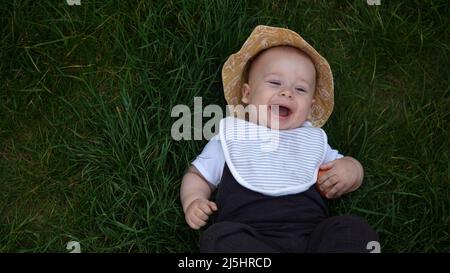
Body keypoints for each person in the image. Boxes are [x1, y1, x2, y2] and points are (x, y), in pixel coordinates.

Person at [180, 25, 379, 252]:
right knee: (219, 239)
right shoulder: (231, 137)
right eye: (275, 83)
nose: (287, 92)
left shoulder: (310, 140)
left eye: (301, 89)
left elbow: (344, 166)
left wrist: (351, 170)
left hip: (310, 238)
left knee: (353, 231)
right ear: (246, 93)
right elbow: (198, 175)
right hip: (249, 235)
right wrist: (193, 201)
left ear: (311, 107)